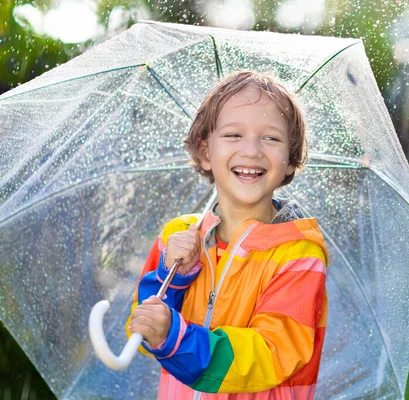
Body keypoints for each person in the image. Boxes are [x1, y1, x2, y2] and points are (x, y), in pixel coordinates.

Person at [126, 70, 328, 400]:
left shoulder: (298, 256)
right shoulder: (176, 237)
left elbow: (272, 353)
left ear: (290, 159)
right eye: (233, 135)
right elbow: (144, 329)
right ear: (205, 152)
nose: (251, 150)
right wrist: (173, 277)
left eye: (271, 138)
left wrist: (177, 338)